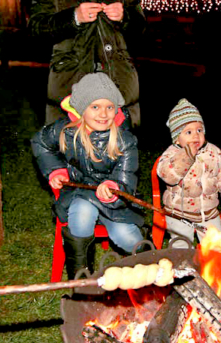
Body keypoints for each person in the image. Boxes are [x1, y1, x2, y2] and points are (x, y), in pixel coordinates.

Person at [31, 73, 144, 279]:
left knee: (126, 236)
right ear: (82, 108)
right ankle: (81, 280)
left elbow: (127, 176)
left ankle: (150, 278)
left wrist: (114, 187)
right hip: (78, 192)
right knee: (82, 211)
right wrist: (56, 170)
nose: (103, 114)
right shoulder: (66, 131)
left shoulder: (125, 141)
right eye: (95, 107)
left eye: (109, 107)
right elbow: (40, 143)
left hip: (114, 201)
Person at [29, 0, 145, 126]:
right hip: (70, 84)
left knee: (118, 146)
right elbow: (36, 29)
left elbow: (140, 27)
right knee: (73, 145)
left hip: (118, 83)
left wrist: (125, 17)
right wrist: (73, 17)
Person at [157, 99, 221, 246]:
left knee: (215, 245)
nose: (195, 136)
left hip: (208, 212)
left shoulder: (213, 153)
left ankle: (212, 266)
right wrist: (185, 157)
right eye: (188, 132)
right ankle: (182, 266)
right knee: (181, 246)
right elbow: (167, 175)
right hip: (178, 213)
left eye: (199, 130)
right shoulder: (172, 154)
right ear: (177, 138)